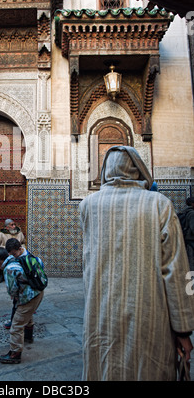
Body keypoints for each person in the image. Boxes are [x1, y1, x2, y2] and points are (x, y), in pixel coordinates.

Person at [79, 145, 194, 381]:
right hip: (149, 317)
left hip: (102, 316)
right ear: (138, 169)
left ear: (106, 171)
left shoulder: (88, 206)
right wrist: (183, 329)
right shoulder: (159, 204)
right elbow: (176, 269)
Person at [0, 239, 44, 364]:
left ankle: (15, 354)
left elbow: (12, 289)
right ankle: (28, 336)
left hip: (28, 297)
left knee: (16, 325)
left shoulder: (9, 268)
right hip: (38, 292)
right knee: (28, 314)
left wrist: (15, 296)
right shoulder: (21, 258)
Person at [0, 219, 25, 284]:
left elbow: (23, 243)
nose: (14, 226)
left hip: (16, 253)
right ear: (7, 227)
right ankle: (1, 274)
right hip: (6, 253)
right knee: (0, 256)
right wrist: (5, 249)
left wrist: (21, 249)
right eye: (12, 225)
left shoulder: (19, 233)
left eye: (14, 224)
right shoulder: (2, 234)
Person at [180, 196, 194, 271]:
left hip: (186, 238)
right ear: (192, 204)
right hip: (191, 239)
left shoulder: (184, 212)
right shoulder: (192, 213)